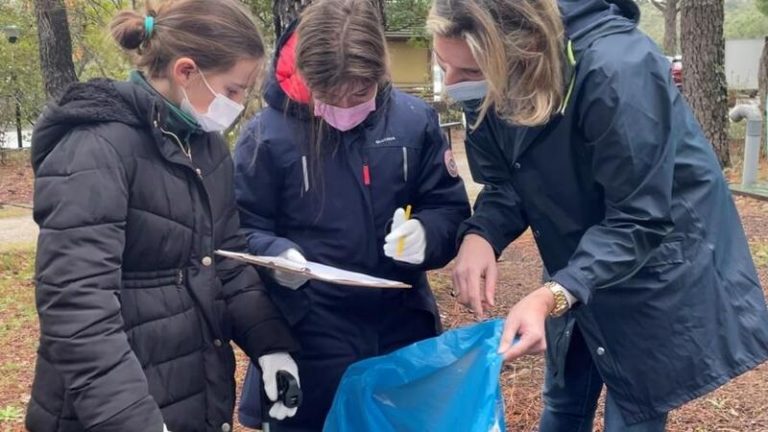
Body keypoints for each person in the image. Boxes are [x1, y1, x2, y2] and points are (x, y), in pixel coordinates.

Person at [427, 0, 768, 431]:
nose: (453, 85)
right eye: (444, 66)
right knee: (565, 400)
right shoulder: (482, 76)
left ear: (523, 52)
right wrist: (482, 234)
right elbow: (506, 181)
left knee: (634, 410)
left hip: (651, 267)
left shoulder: (618, 69)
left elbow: (639, 217)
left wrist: (552, 293)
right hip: (575, 256)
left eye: (471, 73)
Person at [25, 1, 301, 431]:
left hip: (193, 396)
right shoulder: (95, 148)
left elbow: (226, 262)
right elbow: (77, 308)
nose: (240, 103)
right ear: (186, 71)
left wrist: (271, 346)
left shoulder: (205, 148)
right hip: (109, 412)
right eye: (232, 90)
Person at [234, 0, 471, 430]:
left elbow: (449, 208)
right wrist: (276, 255)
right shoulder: (266, 136)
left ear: (380, 73)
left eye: (359, 93)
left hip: (401, 327)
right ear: (307, 77)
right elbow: (241, 228)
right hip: (308, 330)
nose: (344, 107)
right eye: (330, 96)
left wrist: (426, 234)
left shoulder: (414, 122)